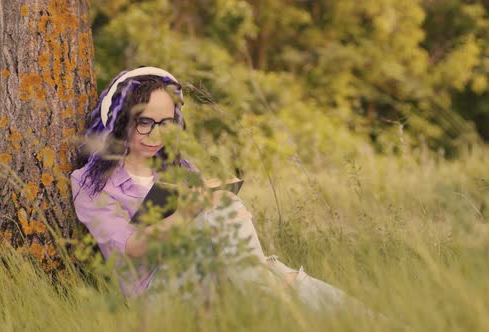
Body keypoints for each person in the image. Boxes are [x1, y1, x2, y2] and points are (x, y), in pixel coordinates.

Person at [70, 66, 350, 312]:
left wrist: (209, 200)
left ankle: (371, 320)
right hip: (156, 296)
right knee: (250, 249)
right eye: (144, 122)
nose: (156, 135)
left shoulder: (180, 168)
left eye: (166, 123)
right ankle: (267, 299)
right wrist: (186, 214)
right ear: (120, 121)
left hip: (209, 275)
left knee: (273, 271)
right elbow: (130, 247)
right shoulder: (90, 181)